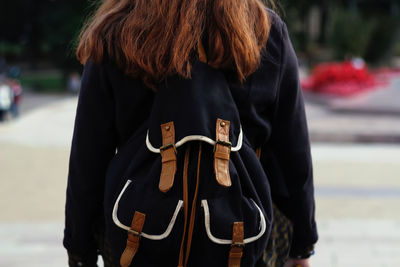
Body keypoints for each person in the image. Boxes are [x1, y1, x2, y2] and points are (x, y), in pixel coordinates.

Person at [64, 0, 318, 266]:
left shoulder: (116, 28)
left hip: (137, 239)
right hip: (236, 240)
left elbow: (88, 159)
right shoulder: (263, 30)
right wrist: (301, 244)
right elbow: (292, 153)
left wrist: (80, 248)